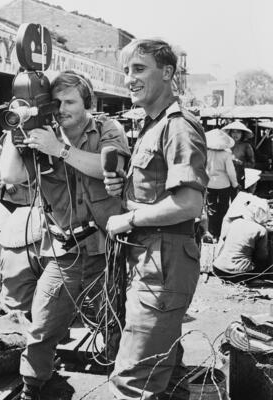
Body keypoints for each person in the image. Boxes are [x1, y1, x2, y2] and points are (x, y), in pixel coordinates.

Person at [0, 70, 130, 400]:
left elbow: (110, 167)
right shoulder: (41, 133)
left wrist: (60, 149)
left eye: (70, 101)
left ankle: (123, 382)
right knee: (43, 322)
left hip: (107, 247)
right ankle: (34, 386)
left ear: (87, 102)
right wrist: (18, 129)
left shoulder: (106, 129)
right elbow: (10, 175)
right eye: (55, 102)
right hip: (66, 249)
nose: (62, 108)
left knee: (117, 320)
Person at [104, 39, 208, 400]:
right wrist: (123, 192)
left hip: (162, 262)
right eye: (127, 71)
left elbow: (188, 204)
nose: (129, 79)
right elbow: (159, 195)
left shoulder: (177, 127)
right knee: (165, 373)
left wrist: (128, 220)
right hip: (152, 259)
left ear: (167, 73)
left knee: (134, 381)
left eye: (139, 69)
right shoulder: (154, 125)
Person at [213, 196, 270, 284]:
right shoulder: (261, 230)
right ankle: (260, 278)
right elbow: (262, 256)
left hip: (218, 269)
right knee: (265, 257)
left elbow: (224, 239)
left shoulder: (236, 222)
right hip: (239, 274)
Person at [205, 128, 239, 240]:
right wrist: (235, 184)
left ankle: (212, 232)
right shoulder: (226, 155)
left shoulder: (207, 153)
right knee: (224, 208)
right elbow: (231, 172)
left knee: (211, 209)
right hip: (223, 184)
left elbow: (204, 169)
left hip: (209, 184)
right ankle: (221, 233)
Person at [222, 120, 255, 193]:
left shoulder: (246, 146)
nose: (235, 134)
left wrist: (241, 163)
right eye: (233, 131)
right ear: (230, 133)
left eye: (238, 132)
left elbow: (252, 164)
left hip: (240, 179)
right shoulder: (225, 145)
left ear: (242, 134)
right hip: (224, 178)